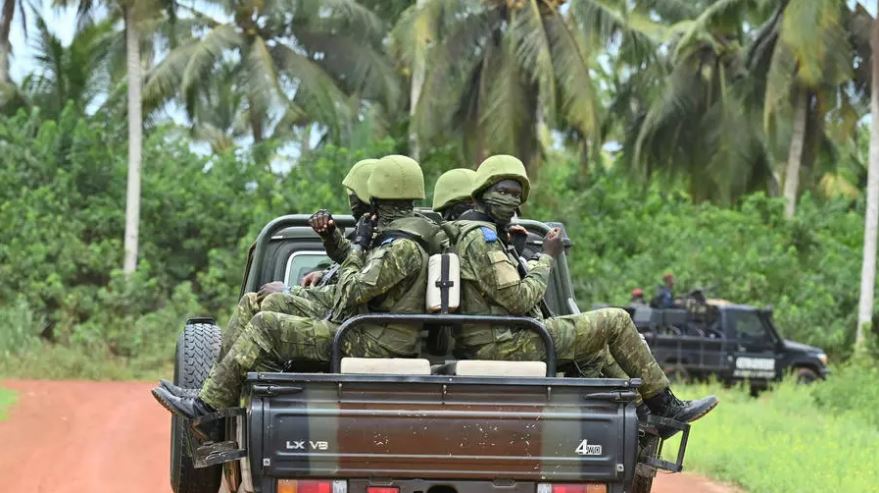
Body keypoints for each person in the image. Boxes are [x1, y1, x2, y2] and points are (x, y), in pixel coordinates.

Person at [151, 155, 441, 419]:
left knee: (266, 325)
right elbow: (356, 283)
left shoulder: (402, 246)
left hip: (371, 341)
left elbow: (351, 291)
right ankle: (214, 392)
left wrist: (359, 245)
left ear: (378, 194)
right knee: (265, 303)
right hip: (364, 328)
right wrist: (339, 241)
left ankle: (207, 407)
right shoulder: (398, 236)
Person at [451, 154, 717, 438]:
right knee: (617, 320)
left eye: (516, 195)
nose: (511, 200)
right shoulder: (482, 237)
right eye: (503, 192)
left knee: (595, 347)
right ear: (481, 194)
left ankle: (641, 416)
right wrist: (546, 258)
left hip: (502, 340)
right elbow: (519, 300)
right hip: (505, 345)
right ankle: (665, 405)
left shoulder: (483, 234)